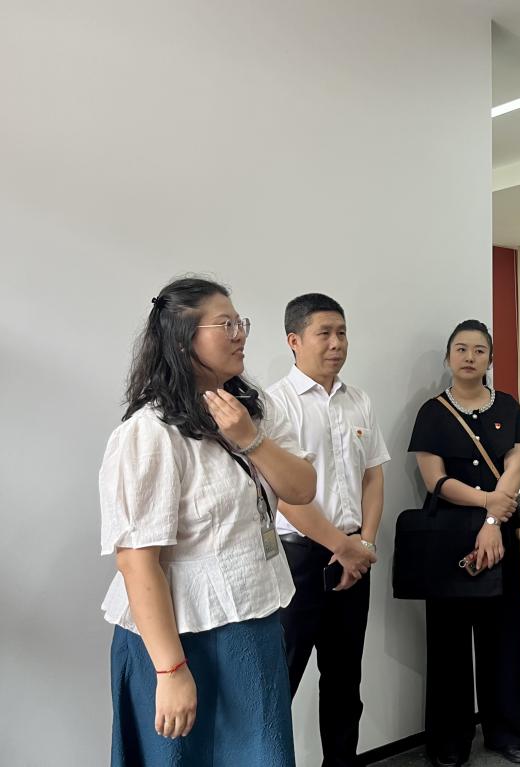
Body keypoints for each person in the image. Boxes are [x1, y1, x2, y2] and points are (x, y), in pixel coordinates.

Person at [99, 277, 316, 767]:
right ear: (183, 340)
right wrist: (171, 671)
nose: (240, 334)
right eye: (226, 324)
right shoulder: (149, 432)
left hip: (252, 622)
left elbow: (302, 489)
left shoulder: (252, 409)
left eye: (241, 323)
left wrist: (249, 438)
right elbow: (137, 561)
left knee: (260, 752)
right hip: (176, 638)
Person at [267, 293, 388, 767]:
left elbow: (373, 476)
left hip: (355, 557)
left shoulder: (359, 401)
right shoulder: (274, 404)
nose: (336, 343)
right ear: (294, 340)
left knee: (344, 680)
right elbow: (281, 493)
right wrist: (342, 545)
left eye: (342, 333)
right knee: (281, 679)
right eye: (324, 333)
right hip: (297, 559)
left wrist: (365, 543)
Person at [408, 320, 520, 767]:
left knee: (503, 634)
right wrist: (488, 504)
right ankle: (450, 739)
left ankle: (508, 732)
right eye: (461, 349)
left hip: (499, 533)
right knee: (449, 641)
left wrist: (492, 520)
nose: (469, 357)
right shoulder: (432, 412)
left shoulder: (508, 405)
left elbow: (515, 466)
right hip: (448, 535)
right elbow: (435, 480)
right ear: (448, 357)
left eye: (479, 350)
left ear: (490, 359)